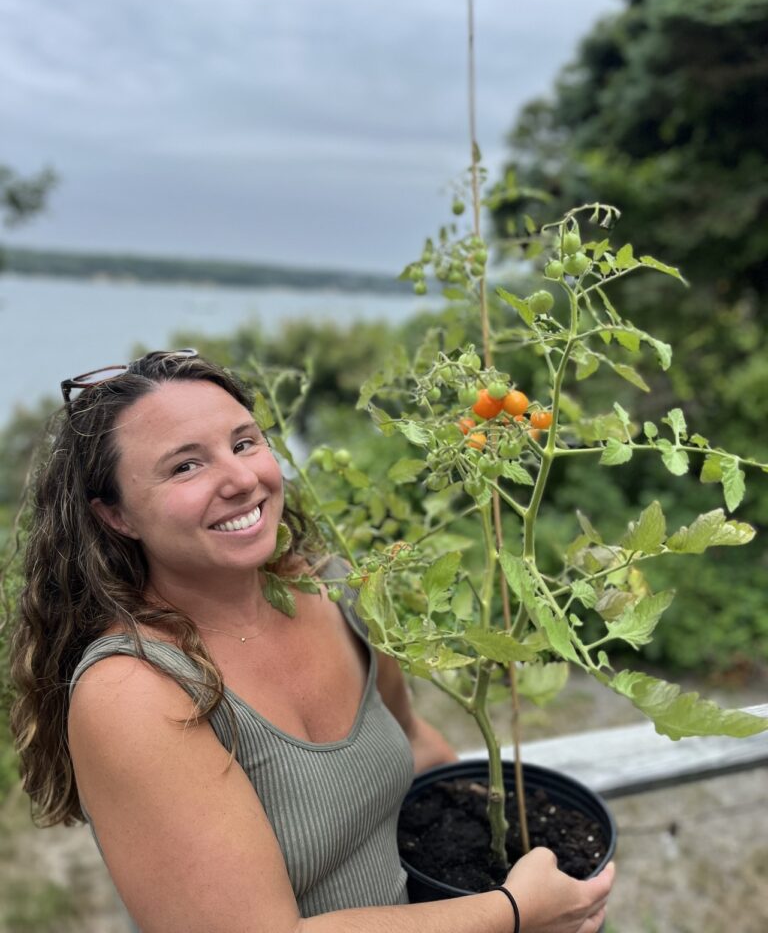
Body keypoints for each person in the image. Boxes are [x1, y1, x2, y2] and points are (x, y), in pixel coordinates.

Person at [9, 348, 615, 933]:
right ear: (116, 515)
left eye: (244, 443)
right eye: (185, 466)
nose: (241, 478)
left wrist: (505, 840)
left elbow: (414, 742)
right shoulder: (132, 691)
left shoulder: (335, 589)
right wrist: (512, 913)